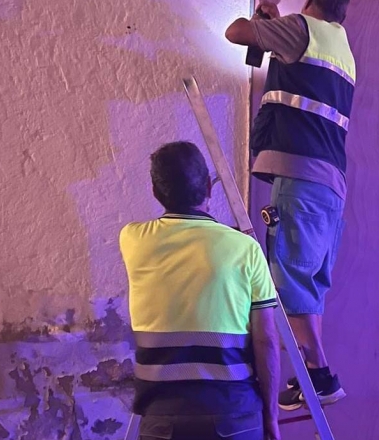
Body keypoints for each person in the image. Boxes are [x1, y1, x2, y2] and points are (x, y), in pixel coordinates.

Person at [224, 0, 354, 411]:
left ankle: (320, 373)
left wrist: (265, 19)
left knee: (288, 281)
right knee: (308, 283)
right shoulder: (339, 45)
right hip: (330, 184)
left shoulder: (300, 31)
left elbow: (236, 32)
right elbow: (300, 60)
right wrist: (276, 23)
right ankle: (314, 378)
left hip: (299, 176)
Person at [119, 141, 281, 440]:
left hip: (161, 416)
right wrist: (270, 418)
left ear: (155, 192)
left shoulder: (132, 239)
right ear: (209, 186)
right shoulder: (245, 249)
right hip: (235, 415)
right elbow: (266, 341)